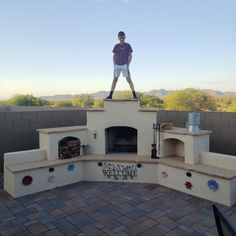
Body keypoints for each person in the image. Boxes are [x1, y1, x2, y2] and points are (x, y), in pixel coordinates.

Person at [106, 31, 137, 99]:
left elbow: (130, 55)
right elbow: (114, 56)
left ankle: (134, 95)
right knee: (114, 80)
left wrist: (128, 65)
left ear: (125, 37)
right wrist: (114, 65)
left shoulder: (128, 45)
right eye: (120, 38)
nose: (121, 39)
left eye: (123, 37)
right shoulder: (116, 46)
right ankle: (110, 95)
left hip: (125, 65)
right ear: (118, 38)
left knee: (129, 80)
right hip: (117, 65)